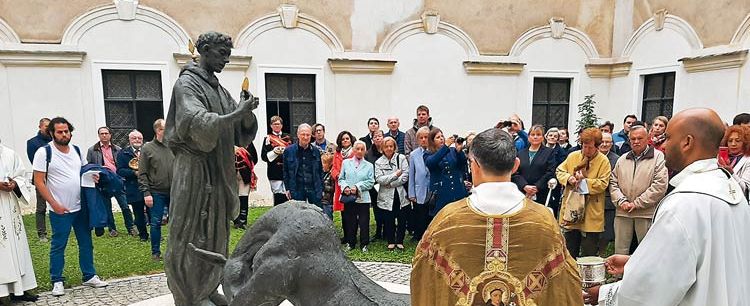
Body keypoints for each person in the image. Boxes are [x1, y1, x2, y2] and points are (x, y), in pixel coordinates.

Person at [585, 108, 750, 306]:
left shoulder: (686, 202)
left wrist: (604, 294)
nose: (663, 144)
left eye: (669, 137)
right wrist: (634, 262)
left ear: (687, 142)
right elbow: (709, 258)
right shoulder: (729, 187)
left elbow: (651, 286)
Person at [411, 128, 583, 306]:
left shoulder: (447, 220)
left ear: (473, 165)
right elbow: (565, 286)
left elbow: (423, 277)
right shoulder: (544, 221)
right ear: (516, 165)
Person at [163, 31, 259, 306]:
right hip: (193, 169)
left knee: (216, 228)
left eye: (228, 56)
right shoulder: (187, 84)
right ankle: (188, 293)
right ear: (204, 50)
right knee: (190, 229)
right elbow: (196, 121)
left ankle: (206, 286)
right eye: (221, 54)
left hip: (217, 170)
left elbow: (239, 131)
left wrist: (245, 111)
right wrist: (238, 112)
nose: (226, 61)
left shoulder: (218, 88)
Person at [32, 117, 108, 296]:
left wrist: (93, 176)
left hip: (80, 206)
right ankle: (57, 280)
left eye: (67, 131)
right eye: (60, 131)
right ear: (52, 133)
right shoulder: (44, 153)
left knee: (86, 243)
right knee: (59, 245)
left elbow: (84, 171)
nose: (64, 134)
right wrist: (54, 204)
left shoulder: (76, 150)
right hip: (60, 209)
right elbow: (39, 182)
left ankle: (89, 275)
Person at [609, 123, 668, 255]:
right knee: (620, 250)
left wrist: (637, 203)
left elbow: (660, 185)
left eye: (640, 138)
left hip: (645, 212)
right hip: (623, 212)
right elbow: (613, 182)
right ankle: (620, 275)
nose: (636, 141)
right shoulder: (622, 159)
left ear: (647, 138)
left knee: (647, 251)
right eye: (633, 139)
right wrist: (621, 201)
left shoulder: (658, 157)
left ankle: (646, 276)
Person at [556, 128, 611, 258]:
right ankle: (570, 277)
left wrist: (584, 182)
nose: (586, 150)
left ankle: (586, 277)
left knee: (589, 253)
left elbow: (603, 183)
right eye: (584, 146)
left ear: (597, 147)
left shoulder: (603, 161)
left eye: (590, 147)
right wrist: (569, 178)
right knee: (569, 251)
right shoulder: (573, 156)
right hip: (572, 211)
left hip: (591, 211)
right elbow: (559, 171)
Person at [0, 141, 38, 302]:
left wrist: (15, 184)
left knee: (16, 245)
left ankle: (20, 290)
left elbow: (21, 176)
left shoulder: (10, 154)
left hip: (10, 205)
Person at [86, 126, 135, 237]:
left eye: (106, 133)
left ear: (110, 135)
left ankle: (131, 227)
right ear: (99, 135)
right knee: (106, 207)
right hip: (102, 182)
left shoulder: (117, 149)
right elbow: (89, 166)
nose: (104, 135)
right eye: (102, 133)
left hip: (117, 180)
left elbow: (122, 164)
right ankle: (112, 229)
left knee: (125, 205)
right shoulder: (92, 150)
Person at [138, 119, 174, 261]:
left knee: (176, 222)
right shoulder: (147, 148)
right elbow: (142, 173)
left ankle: (174, 251)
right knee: (156, 222)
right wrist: (146, 193)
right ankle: (155, 252)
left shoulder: (173, 146)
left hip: (174, 191)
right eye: (166, 128)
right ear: (158, 131)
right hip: (156, 191)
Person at [338, 140, 375, 252]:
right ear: (353, 150)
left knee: (364, 222)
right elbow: (341, 179)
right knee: (350, 221)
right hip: (349, 197)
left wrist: (358, 187)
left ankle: (364, 244)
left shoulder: (369, 166)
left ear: (365, 151)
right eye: (357, 149)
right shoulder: (346, 163)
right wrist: (345, 188)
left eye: (362, 149)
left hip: (363, 197)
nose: (359, 151)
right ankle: (351, 242)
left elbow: (371, 181)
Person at [423, 128, 468, 216]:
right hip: (441, 193)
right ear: (432, 141)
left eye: (442, 136)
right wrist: (445, 146)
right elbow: (431, 162)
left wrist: (459, 152)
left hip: (457, 190)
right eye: (438, 137)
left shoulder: (452, 151)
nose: (441, 138)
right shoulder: (428, 154)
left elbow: (462, 164)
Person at [375, 137, 409, 250]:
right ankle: (390, 241)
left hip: (400, 194)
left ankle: (399, 240)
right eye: (386, 146)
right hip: (386, 196)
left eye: (391, 146)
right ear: (382, 148)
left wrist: (392, 183)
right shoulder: (378, 162)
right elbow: (380, 179)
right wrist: (395, 175)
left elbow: (405, 176)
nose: (389, 148)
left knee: (402, 218)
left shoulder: (402, 158)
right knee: (388, 218)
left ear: (394, 147)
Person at [115, 130, 149, 241]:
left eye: (139, 138)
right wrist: (134, 173)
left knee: (153, 212)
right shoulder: (123, 153)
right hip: (134, 187)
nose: (137, 140)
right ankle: (143, 235)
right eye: (134, 138)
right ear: (129, 140)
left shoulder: (148, 151)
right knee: (138, 214)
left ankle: (155, 234)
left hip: (150, 186)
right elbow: (120, 171)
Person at [511, 125, 556, 205]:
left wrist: (536, 187)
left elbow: (550, 172)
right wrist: (524, 186)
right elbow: (515, 172)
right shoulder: (520, 153)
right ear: (528, 137)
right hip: (522, 192)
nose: (535, 137)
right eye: (532, 134)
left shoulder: (549, 152)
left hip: (540, 193)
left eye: (538, 135)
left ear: (543, 137)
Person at [283, 124, 323, 207]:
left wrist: (321, 188)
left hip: (314, 188)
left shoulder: (316, 151)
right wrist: (287, 189)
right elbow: (285, 172)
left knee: (316, 214)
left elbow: (320, 171)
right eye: (303, 134)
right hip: (297, 189)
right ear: (298, 135)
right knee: (297, 216)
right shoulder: (288, 151)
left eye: (308, 135)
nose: (305, 137)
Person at [26, 117, 51, 242]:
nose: (48, 129)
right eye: (46, 126)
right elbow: (34, 161)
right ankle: (42, 233)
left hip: (56, 177)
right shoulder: (32, 142)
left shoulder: (55, 141)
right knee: (41, 207)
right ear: (40, 127)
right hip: (41, 177)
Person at [597, 132, 620, 256]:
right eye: (602, 142)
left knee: (606, 233)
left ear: (612, 143)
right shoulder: (590, 156)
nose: (604, 144)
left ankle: (602, 255)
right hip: (591, 200)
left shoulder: (617, 159)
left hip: (608, 201)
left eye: (608, 142)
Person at [261, 116, 291, 206]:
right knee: (278, 197)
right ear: (271, 126)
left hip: (287, 171)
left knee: (287, 196)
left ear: (281, 125)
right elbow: (264, 157)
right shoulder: (268, 138)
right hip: (274, 171)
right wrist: (274, 152)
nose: (277, 126)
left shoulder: (288, 137)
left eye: (278, 124)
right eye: (274, 124)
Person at [408, 127, 431, 240]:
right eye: (421, 138)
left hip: (431, 189)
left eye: (426, 137)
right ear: (417, 140)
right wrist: (411, 193)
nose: (423, 140)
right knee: (419, 214)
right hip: (419, 189)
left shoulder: (435, 151)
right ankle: (419, 235)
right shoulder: (414, 154)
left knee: (430, 214)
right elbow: (411, 175)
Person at [331, 131, 355, 242]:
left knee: (352, 213)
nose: (345, 140)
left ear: (351, 140)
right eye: (343, 139)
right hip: (340, 186)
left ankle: (352, 236)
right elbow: (334, 168)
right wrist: (338, 175)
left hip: (351, 185)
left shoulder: (354, 152)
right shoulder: (337, 153)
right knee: (343, 213)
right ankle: (346, 236)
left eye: (347, 138)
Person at [718, 125, 750, 199]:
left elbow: (745, 189)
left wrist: (731, 173)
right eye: (730, 141)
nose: (733, 144)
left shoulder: (748, 160)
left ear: (745, 143)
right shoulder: (719, 158)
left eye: (738, 141)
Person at [365, 129, 385, 240]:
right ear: (372, 139)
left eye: (379, 136)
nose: (377, 138)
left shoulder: (387, 150)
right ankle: (378, 231)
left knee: (386, 209)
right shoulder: (368, 154)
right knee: (377, 209)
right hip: (374, 186)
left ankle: (387, 230)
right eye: (375, 136)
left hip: (386, 185)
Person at [234, 142, 258, 229]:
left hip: (245, 174)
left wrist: (247, 167)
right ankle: (236, 219)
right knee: (234, 197)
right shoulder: (228, 141)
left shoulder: (249, 143)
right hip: (231, 175)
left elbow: (254, 158)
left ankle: (243, 220)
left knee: (243, 196)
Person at [320, 152, 335, 220]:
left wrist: (322, 186)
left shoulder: (331, 175)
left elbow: (333, 188)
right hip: (319, 201)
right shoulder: (319, 173)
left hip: (327, 202)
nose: (321, 164)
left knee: (327, 219)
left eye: (323, 162)